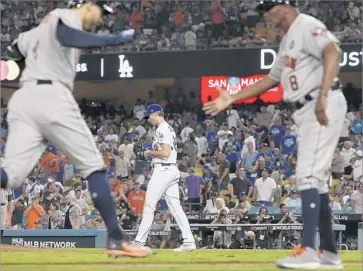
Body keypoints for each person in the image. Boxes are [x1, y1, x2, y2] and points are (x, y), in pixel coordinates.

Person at [0, 0, 150, 258]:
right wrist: (111, 40)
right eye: (99, 11)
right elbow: (65, 35)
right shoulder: (66, 16)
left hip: (24, 100)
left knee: (9, 177)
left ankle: (116, 238)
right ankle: (116, 238)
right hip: (52, 97)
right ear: (87, 5)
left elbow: (10, 57)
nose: (99, 19)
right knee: (93, 166)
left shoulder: (32, 33)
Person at [203, 1, 346, 268]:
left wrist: (324, 95)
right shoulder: (288, 39)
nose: (266, 13)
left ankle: (309, 251)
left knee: (307, 176)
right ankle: (329, 253)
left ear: (287, 6)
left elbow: (332, 52)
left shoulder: (307, 25)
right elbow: (270, 79)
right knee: (318, 181)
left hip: (320, 102)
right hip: (307, 106)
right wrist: (231, 97)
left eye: (270, 7)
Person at [134, 104, 196, 252]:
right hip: (170, 169)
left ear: (156, 114)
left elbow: (165, 152)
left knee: (149, 206)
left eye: (149, 116)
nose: (149, 119)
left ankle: (138, 243)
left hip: (163, 169)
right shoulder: (167, 129)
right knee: (175, 208)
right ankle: (189, 241)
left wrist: (147, 153)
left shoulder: (162, 129)